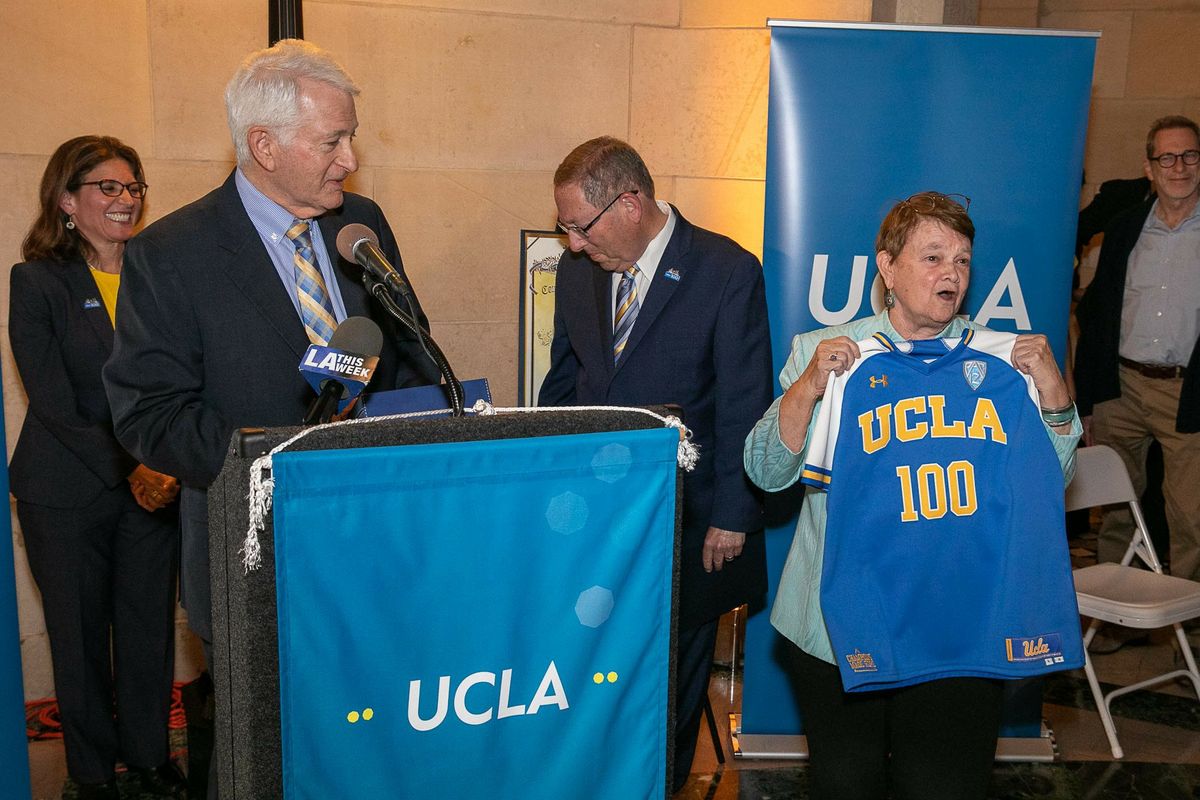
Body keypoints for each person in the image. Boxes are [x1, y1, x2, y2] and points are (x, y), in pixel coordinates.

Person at [102, 40, 439, 797]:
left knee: (374, 737)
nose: (350, 159)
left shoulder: (363, 225)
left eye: (350, 136)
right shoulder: (171, 252)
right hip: (251, 551)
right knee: (267, 757)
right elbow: (147, 411)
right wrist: (269, 464)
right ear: (264, 145)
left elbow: (412, 356)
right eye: (333, 140)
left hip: (373, 540)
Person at [744, 192, 1081, 799]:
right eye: (932, 258)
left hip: (960, 620)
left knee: (944, 784)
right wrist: (812, 385)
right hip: (838, 620)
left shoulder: (1002, 360)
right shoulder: (827, 353)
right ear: (887, 268)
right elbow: (767, 471)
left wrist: (1055, 399)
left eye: (962, 260)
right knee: (847, 781)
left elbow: (1043, 483)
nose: (951, 274)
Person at [538, 136, 773, 792]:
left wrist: (734, 514)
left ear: (632, 203)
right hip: (594, 523)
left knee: (668, 690)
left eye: (579, 226)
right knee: (598, 683)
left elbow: (745, 403)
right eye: (565, 229)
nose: (573, 244)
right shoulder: (577, 272)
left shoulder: (726, 271)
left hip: (691, 525)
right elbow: (563, 386)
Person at [9, 136, 184, 800]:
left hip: (156, 485)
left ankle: (147, 758)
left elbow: (181, 379)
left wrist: (161, 465)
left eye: (133, 187)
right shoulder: (37, 282)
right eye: (106, 188)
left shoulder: (159, 275)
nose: (124, 200)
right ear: (66, 201)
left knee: (146, 630)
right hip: (67, 490)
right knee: (79, 637)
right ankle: (89, 774)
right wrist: (133, 464)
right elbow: (51, 397)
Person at [1075, 115, 1200, 592]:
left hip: (1186, 394)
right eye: (1166, 157)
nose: (1179, 167)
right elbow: (1099, 314)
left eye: (1189, 155)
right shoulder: (1127, 228)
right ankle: (1118, 615)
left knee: (1190, 518)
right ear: (1150, 167)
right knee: (1117, 512)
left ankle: (1186, 627)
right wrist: (1088, 400)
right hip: (1121, 392)